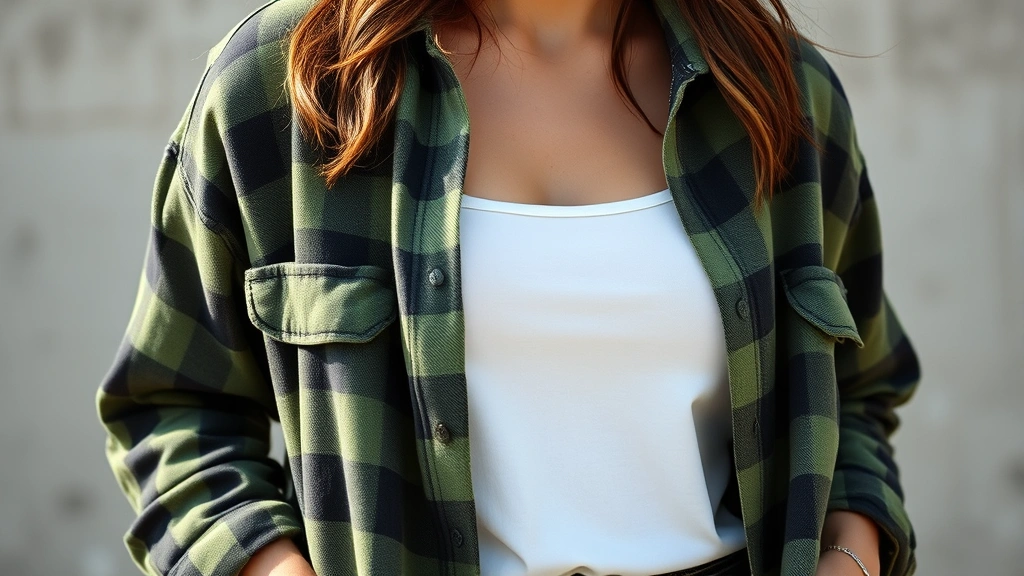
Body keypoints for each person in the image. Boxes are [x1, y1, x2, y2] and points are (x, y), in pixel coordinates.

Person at [95, 0, 922, 575]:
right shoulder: (284, 86)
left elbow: (859, 392)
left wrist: (848, 555)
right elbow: (172, 409)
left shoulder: (776, 90)